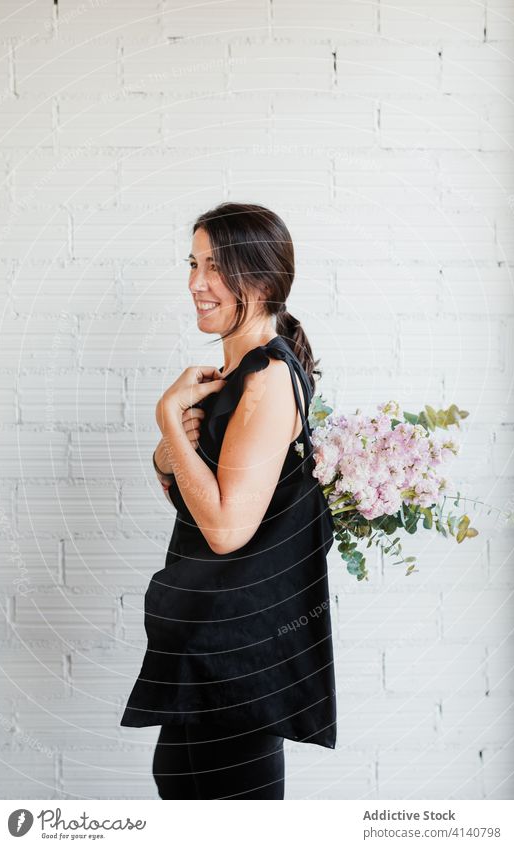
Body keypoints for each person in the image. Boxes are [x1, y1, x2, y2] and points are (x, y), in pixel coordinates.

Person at [120, 202, 337, 799]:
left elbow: (224, 529)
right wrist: (169, 458)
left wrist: (168, 419)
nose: (195, 282)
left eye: (215, 267)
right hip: (214, 650)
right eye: (193, 263)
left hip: (237, 661)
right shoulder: (236, 374)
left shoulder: (267, 378)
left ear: (262, 281)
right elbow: (200, 502)